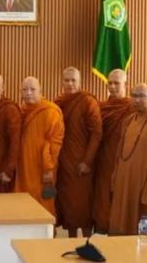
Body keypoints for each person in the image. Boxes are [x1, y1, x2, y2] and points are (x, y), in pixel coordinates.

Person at [109, 83, 147, 236]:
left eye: (141, 96)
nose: (136, 100)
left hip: (142, 185)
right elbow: (119, 154)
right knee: (119, 223)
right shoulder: (128, 121)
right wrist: (115, 177)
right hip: (124, 183)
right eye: (134, 96)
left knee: (140, 227)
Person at [54, 67, 102, 237]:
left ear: (80, 82)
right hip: (64, 163)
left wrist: (87, 161)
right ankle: (71, 240)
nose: (70, 84)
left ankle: (88, 241)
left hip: (82, 163)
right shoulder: (58, 102)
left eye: (73, 80)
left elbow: (96, 133)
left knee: (84, 205)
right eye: (66, 80)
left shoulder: (87, 101)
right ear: (62, 82)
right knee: (68, 205)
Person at [14, 76, 64, 216]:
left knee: (43, 200)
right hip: (23, 165)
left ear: (40, 91)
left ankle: (45, 233)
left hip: (43, 166)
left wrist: (49, 167)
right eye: (25, 90)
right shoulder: (20, 111)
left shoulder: (50, 111)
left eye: (32, 89)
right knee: (22, 198)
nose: (28, 93)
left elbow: (55, 141)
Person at [93, 69, 132, 234]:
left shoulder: (131, 107)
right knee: (102, 196)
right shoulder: (101, 107)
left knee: (121, 197)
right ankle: (102, 228)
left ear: (125, 84)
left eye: (117, 83)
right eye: (110, 83)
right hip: (104, 159)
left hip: (125, 161)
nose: (112, 87)